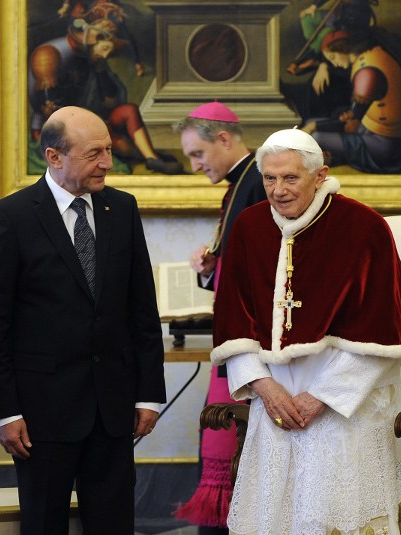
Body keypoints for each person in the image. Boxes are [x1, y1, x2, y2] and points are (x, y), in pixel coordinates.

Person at [210, 128, 401, 534]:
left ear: (320, 176)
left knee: (334, 516)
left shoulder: (362, 227)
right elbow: (235, 323)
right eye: (269, 178)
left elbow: (382, 334)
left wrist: (322, 396)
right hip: (275, 398)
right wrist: (264, 388)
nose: (278, 190)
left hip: (344, 404)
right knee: (272, 517)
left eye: (290, 178)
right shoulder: (249, 227)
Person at [0, 105, 167, 535]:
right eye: (94, 153)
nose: (108, 163)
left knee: (114, 525)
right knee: (44, 525)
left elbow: (141, 310)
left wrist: (149, 395)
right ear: (54, 156)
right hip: (41, 412)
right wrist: (4, 410)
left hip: (113, 408)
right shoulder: (12, 217)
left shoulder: (122, 208)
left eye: (109, 150)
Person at [170, 101, 265, 534]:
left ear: (223, 138)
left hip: (253, 343)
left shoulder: (260, 183)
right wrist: (212, 270)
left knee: (236, 440)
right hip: (234, 334)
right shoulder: (239, 184)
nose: (195, 166)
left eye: (198, 154)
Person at [28, 15, 183, 174]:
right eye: (104, 47)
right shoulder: (49, 54)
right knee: (102, 130)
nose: (106, 55)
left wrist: (100, 70)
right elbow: (49, 107)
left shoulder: (93, 59)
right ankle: (146, 156)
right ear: (92, 36)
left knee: (128, 110)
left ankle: (151, 159)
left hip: (87, 117)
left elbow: (111, 102)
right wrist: (90, 119)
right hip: (54, 127)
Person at [302, 29, 401, 173]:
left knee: (315, 135)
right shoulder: (370, 56)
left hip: (386, 144)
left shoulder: (367, 73)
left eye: (333, 57)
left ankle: (329, 158)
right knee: (310, 124)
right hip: (370, 129)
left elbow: (352, 118)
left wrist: (314, 126)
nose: (334, 63)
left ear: (343, 49)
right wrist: (323, 65)